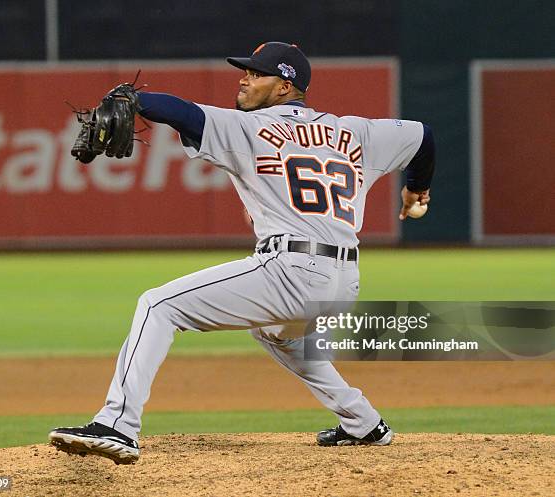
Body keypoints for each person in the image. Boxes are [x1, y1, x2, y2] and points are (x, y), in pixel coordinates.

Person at [49, 42, 435, 464]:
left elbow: (182, 112)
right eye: (245, 72)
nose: (244, 79)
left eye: (256, 73)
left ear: (285, 86)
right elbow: (422, 136)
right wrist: (417, 189)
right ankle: (363, 423)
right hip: (344, 280)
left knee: (157, 306)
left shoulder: (250, 128)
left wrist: (133, 99)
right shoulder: (356, 131)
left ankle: (117, 425)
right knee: (281, 338)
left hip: (291, 269)